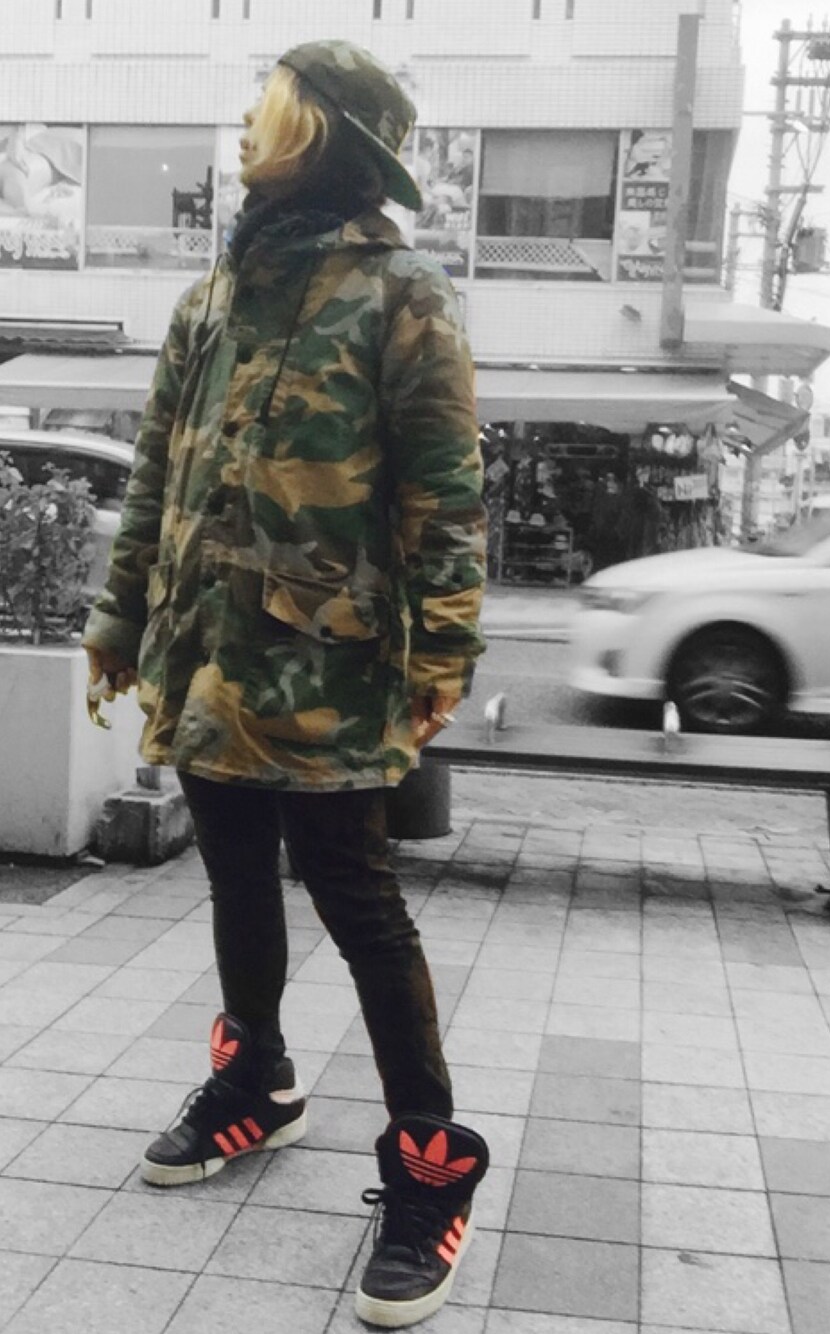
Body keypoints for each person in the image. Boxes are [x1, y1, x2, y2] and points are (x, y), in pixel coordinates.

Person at [82, 39, 489, 1329]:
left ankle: (430, 1161)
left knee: (357, 899)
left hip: (329, 666)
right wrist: (118, 616)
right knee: (236, 877)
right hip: (208, 654)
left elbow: (447, 493)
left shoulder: (401, 293)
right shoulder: (212, 297)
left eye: (272, 108)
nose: (249, 126)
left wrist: (443, 652)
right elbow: (158, 468)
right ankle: (255, 1078)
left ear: (325, 135)